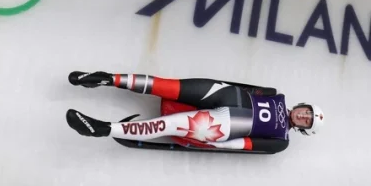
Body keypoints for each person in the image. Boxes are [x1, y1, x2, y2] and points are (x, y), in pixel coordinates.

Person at [66, 70, 324, 154]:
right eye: (306, 111)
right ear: (303, 106)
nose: (303, 115)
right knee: (167, 85)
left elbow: (246, 145)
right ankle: (106, 78)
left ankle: (104, 128)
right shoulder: (276, 94)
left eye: (306, 120)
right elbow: (250, 90)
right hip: (228, 94)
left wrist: (215, 145)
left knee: (169, 124)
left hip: (228, 125)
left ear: (303, 128)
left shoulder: (281, 141)